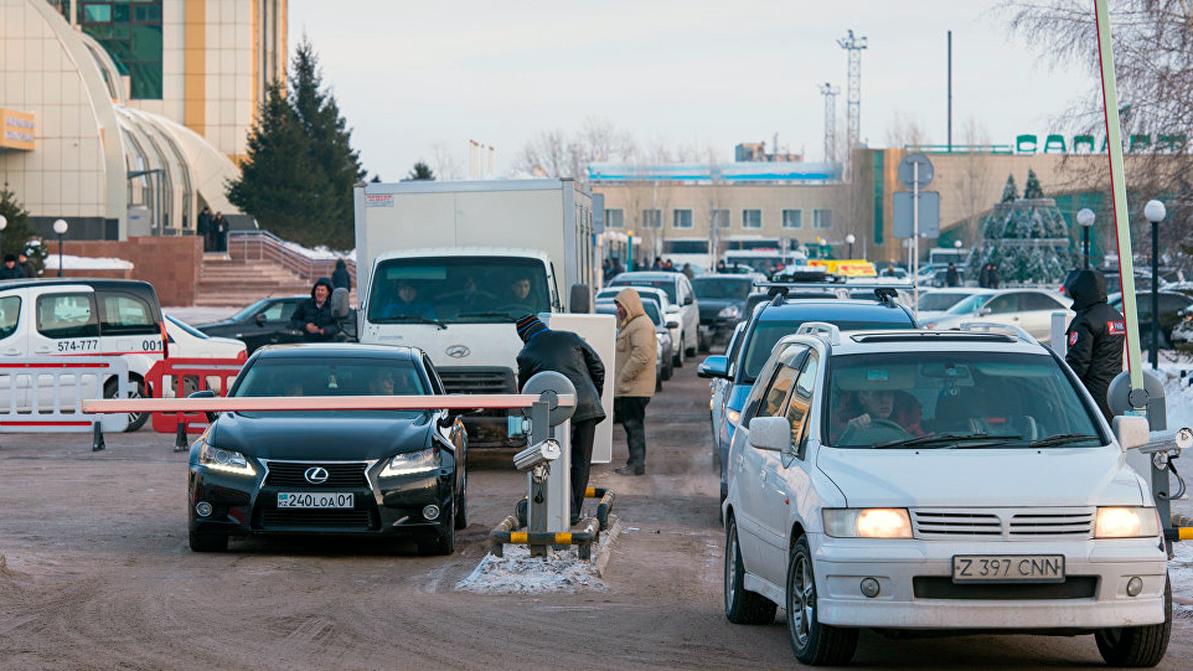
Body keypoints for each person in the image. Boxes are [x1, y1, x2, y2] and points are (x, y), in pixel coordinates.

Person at [515, 314, 606, 523]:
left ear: (524, 336)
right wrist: (593, 396)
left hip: (556, 414)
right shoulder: (571, 337)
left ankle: (563, 510)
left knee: (557, 460)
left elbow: (527, 391)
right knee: (582, 461)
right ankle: (574, 514)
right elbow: (598, 367)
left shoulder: (526, 353)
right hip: (587, 407)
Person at [1064, 269, 1125, 422]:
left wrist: (1065, 387)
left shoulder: (1086, 320)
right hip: (1114, 389)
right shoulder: (1115, 316)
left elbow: (1078, 362)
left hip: (1092, 392)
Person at [612, 288, 656, 476]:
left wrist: (623, 377)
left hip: (634, 388)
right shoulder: (631, 325)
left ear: (629, 305)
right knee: (631, 427)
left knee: (634, 426)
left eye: (621, 305)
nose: (618, 309)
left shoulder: (641, 325)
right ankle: (634, 462)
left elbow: (642, 355)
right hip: (630, 388)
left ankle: (637, 464)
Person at [835, 389, 925, 438]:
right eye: (878, 394)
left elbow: (919, 442)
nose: (885, 401)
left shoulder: (909, 421)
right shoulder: (843, 422)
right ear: (862, 397)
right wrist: (850, 430)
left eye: (889, 395)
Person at [288, 277, 341, 341]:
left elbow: (339, 325)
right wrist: (306, 326)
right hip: (308, 343)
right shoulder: (305, 304)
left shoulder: (333, 306)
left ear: (328, 293)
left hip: (328, 344)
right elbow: (293, 321)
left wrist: (325, 330)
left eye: (322, 290)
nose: (319, 292)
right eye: (318, 290)